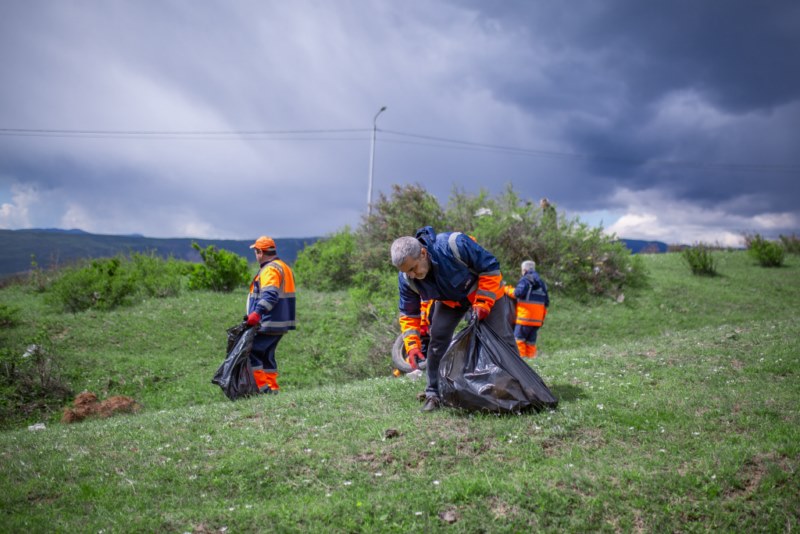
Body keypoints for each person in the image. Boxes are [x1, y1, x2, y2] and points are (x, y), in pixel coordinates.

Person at [390, 226, 517, 412]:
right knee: (437, 339)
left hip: (485, 291)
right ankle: (434, 394)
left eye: (413, 268)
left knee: (502, 337)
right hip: (451, 302)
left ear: (423, 253)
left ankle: (516, 385)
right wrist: (412, 345)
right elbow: (409, 314)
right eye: (406, 272)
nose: (411, 275)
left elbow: (490, 268)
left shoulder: (454, 245)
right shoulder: (407, 279)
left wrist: (483, 302)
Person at [244, 235, 296, 394]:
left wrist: (256, 313)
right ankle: (272, 388)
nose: (256, 255)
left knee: (251, 352)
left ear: (260, 252)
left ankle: (262, 389)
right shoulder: (284, 266)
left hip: (268, 321)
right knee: (267, 356)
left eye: (256, 252)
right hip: (281, 322)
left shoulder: (270, 269)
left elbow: (270, 295)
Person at [504, 260, 549, 358]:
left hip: (525, 318)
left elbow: (517, 293)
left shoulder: (526, 280)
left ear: (524, 270)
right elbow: (546, 302)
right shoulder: (542, 283)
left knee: (519, 340)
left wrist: (506, 289)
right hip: (537, 320)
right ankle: (531, 360)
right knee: (530, 342)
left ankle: (521, 361)